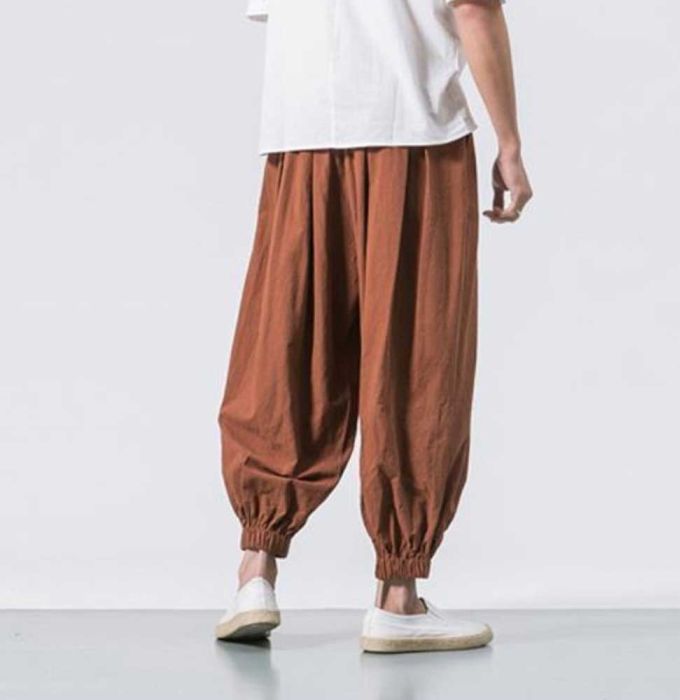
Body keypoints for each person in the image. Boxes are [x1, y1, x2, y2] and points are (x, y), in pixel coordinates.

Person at [216, 0, 532, 653]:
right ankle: (398, 595)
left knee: (288, 342)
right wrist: (510, 143)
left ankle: (256, 571)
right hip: (412, 129)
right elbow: (473, 8)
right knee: (415, 356)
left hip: (301, 130)